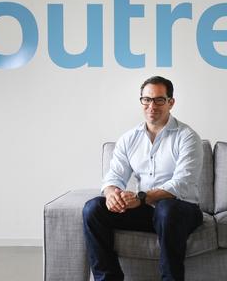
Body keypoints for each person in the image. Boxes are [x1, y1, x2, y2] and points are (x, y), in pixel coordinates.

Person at [82, 76, 204, 281]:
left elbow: (182, 183)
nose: (151, 106)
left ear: (170, 102)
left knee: (167, 208)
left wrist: (140, 197)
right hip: (147, 212)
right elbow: (114, 176)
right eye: (146, 99)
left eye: (159, 100)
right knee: (93, 208)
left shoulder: (187, 137)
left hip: (182, 211)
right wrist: (112, 194)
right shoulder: (129, 138)